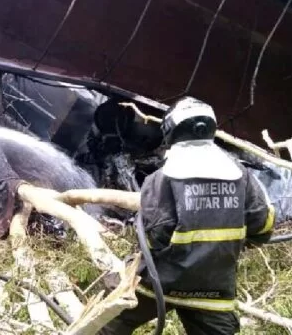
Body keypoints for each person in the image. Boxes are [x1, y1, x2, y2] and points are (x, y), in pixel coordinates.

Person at [99, 96, 276, 335]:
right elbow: (263, 226)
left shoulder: (163, 176)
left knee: (108, 324)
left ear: (169, 131)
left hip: (160, 282)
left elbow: (154, 235)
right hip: (213, 289)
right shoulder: (239, 174)